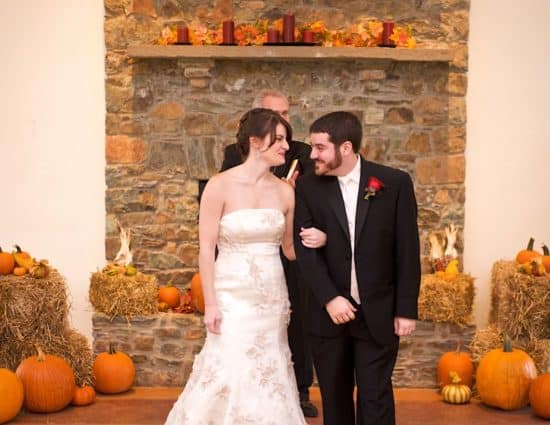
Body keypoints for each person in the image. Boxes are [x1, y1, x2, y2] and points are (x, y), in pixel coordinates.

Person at [165, 108, 320, 425]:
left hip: (272, 301)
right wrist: (211, 303)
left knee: (269, 370)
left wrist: (322, 240)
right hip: (231, 296)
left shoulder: (285, 192)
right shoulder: (219, 186)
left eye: (285, 140)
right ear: (254, 141)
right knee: (227, 368)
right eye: (278, 140)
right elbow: (207, 249)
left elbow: (290, 250)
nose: (286, 147)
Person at [293, 111, 421, 425]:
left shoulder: (393, 183)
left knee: (375, 396)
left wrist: (406, 309)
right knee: (335, 402)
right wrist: (329, 298)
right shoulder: (308, 186)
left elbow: (407, 249)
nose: (313, 155)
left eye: (320, 147)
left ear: (346, 147)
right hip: (328, 315)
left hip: (378, 312)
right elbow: (304, 250)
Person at [220, 89, 319, 417]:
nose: (283, 122)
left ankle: (299, 389)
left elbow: (318, 200)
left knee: (296, 321)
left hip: (289, 252)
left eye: (286, 113)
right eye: (274, 114)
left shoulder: (304, 154)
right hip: (248, 259)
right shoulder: (233, 156)